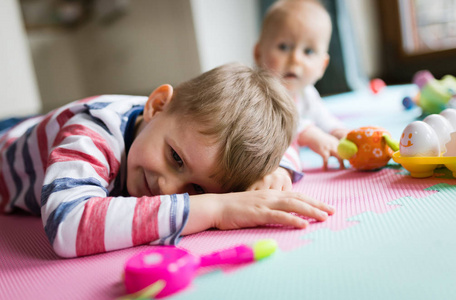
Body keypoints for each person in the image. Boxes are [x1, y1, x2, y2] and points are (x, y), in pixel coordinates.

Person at [0, 63, 334, 258]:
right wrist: (215, 208)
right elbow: (67, 224)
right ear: (157, 105)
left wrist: (277, 171)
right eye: (174, 157)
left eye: (197, 189)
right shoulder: (93, 132)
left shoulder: (182, 133)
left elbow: (285, 144)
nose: (167, 188)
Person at [254, 0, 350, 170]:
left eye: (308, 51)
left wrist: (337, 131)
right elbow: (274, 125)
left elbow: (323, 118)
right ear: (258, 53)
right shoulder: (260, 90)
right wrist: (307, 133)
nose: (295, 59)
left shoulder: (307, 93)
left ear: (322, 66)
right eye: (284, 47)